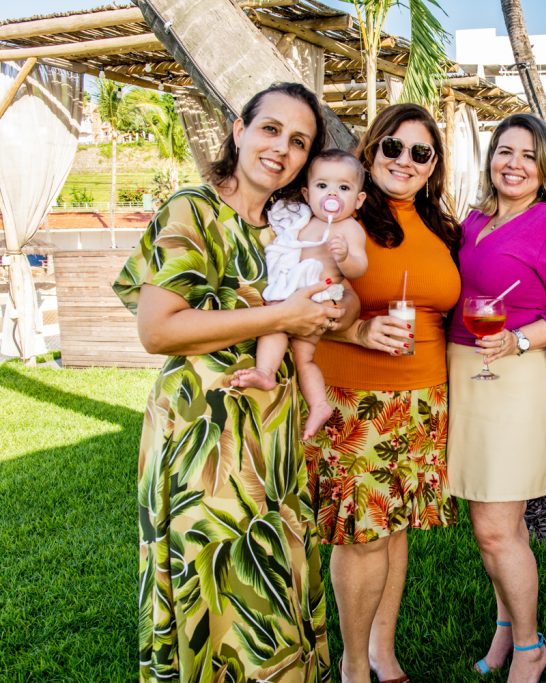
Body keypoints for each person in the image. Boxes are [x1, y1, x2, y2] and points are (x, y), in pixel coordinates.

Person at [113, 82, 359, 681]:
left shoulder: (287, 222)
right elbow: (158, 330)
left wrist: (342, 301)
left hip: (272, 432)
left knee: (278, 584)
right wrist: (283, 316)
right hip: (205, 437)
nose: (282, 148)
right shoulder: (191, 210)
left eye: (299, 142)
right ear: (238, 130)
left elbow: (338, 307)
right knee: (224, 591)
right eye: (270, 129)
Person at [310, 103, 461, 683]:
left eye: (420, 152)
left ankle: (384, 653)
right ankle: (352, 667)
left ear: (433, 167)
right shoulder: (341, 214)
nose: (405, 160)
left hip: (424, 399)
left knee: (393, 531)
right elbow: (300, 295)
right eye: (393, 147)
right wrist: (357, 328)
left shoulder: (441, 227)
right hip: (356, 396)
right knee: (363, 533)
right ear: (371, 151)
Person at [447, 112, 546, 682]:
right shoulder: (474, 220)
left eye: (528, 155)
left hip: (513, 374)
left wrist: (518, 339)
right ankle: (506, 628)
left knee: (493, 525)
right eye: (504, 151)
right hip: (466, 372)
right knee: (499, 522)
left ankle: (531, 646)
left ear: (545, 167)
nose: (513, 164)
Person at [232, 148, 368, 440]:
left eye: (343, 188)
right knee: (276, 329)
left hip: (320, 298)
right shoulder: (302, 221)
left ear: (358, 199)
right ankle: (271, 375)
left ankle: (316, 402)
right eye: (322, 186)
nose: (332, 194)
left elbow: (359, 268)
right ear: (307, 194)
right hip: (290, 295)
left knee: (304, 356)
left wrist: (345, 256)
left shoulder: (349, 228)